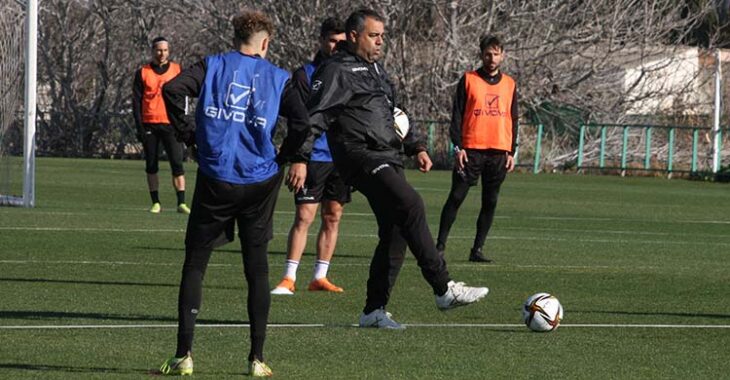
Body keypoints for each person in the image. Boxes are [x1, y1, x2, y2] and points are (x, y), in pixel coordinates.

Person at [303, 8, 489, 330]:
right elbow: (315, 115)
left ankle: (373, 311)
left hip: (387, 153)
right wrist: (299, 157)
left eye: (382, 36)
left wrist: (416, 146)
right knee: (412, 204)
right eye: (374, 36)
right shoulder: (336, 70)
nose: (380, 42)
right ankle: (444, 288)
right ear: (354, 36)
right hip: (360, 155)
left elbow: (394, 111)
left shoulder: (376, 70)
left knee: (396, 230)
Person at [157, 10, 310, 377]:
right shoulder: (279, 77)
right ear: (266, 43)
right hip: (259, 181)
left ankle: (184, 356)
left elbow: (172, 88)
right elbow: (303, 121)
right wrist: (284, 156)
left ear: (235, 37)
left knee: (195, 263)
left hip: (217, 176)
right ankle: (256, 359)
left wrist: (188, 133)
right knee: (256, 268)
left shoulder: (212, 66)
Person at [271, 17, 348, 296]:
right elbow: (299, 120)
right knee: (304, 216)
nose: (337, 46)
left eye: (342, 41)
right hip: (313, 156)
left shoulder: (351, 72)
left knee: (333, 216)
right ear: (320, 40)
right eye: (332, 40)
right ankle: (288, 277)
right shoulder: (304, 74)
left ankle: (320, 276)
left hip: (341, 158)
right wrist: (298, 158)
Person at [435, 35, 518, 263]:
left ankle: (477, 250)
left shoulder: (510, 84)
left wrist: (512, 151)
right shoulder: (469, 79)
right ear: (481, 55)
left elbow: (514, 118)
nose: (492, 58)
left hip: (498, 151)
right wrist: (458, 146)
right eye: (488, 54)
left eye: (496, 53)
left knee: (490, 201)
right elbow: (457, 115)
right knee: (456, 197)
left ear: (503, 55)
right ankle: (439, 247)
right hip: (471, 150)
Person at [132, 37, 190, 214]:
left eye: (165, 50)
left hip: (171, 124)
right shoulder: (143, 72)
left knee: (177, 163)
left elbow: (185, 98)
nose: (162, 53)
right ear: (153, 51)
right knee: (151, 165)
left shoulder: (177, 70)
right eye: (159, 50)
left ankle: (181, 202)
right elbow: (136, 101)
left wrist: (183, 123)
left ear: (169, 51)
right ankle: (155, 202)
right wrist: (139, 126)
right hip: (150, 124)